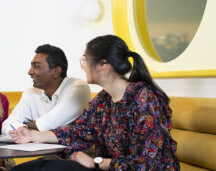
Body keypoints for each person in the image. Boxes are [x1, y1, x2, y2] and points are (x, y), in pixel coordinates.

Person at [10, 35, 179, 171]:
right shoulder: (103, 101)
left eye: (85, 60)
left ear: (103, 65)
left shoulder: (144, 99)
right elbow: (76, 132)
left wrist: (96, 162)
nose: (83, 66)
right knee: (35, 167)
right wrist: (31, 135)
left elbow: (145, 164)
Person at [1, 44, 91, 135]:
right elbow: (7, 125)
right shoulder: (31, 92)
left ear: (56, 72)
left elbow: (50, 124)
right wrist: (24, 130)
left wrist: (24, 127)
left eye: (36, 66)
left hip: (74, 149)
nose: (30, 72)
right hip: (36, 148)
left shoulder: (78, 87)